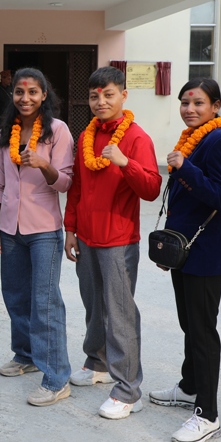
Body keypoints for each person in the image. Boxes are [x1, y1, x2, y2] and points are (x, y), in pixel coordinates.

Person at [63, 65, 162, 420]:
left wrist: (125, 163)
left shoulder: (136, 138)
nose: (100, 101)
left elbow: (151, 188)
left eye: (108, 94)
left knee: (119, 313)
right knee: (93, 305)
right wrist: (70, 228)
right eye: (94, 95)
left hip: (118, 239)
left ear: (124, 95)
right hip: (87, 237)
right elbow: (76, 188)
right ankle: (98, 362)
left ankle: (128, 390)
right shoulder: (87, 136)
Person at [147, 79, 221, 442]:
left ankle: (208, 413)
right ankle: (189, 386)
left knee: (203, 331)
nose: (189, 108)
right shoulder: (194, 137)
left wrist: (185, 167)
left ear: (215, 106)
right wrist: (168, 250)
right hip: (185, 250)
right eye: (185, 102)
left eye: (198, 102)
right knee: (189, 324)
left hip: (207, 252)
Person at [0, 68, 75, 406]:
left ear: (44, 95)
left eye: (33, 92)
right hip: (10, 228)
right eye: (19, 92)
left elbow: (65, 182)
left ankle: (56, 377)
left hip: (43, 229)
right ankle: (24, 355)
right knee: (16, 296)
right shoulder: (5, 131)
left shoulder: (57, 131)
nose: (25, 98)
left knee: (45, 302)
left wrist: (42, 163)